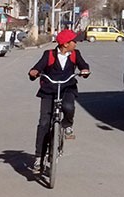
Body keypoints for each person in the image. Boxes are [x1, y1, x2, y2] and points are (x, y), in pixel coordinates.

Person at [28, 29, 90, 173]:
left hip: (67, 88)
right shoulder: (48, 55)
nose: (76, 43)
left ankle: (67, 125)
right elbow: (37, 67)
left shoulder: (75, 54)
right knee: (44, 123)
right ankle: (38, 158)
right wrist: (34, 72)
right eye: (74, 41)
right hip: (49, 90)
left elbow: (83, 66)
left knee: (68, 107)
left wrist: (85, 71)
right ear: (65, 44)